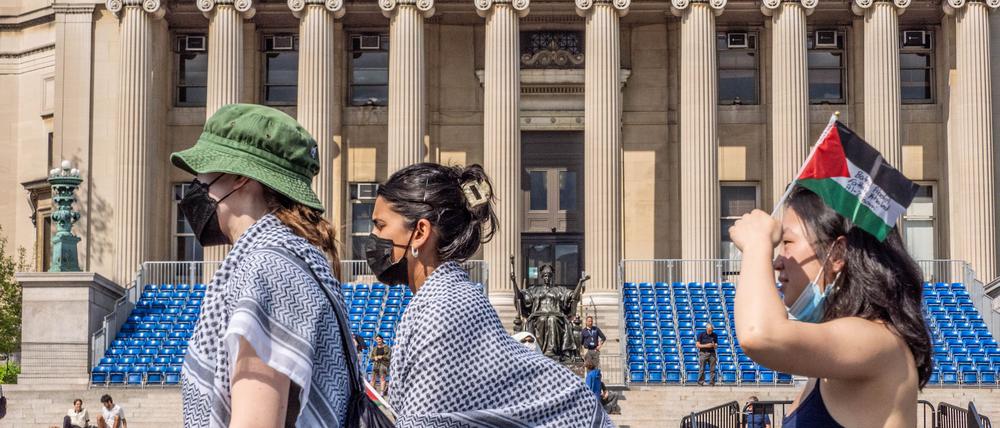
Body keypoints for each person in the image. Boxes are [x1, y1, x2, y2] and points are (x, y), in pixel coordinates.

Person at [371, 163, 613, 427]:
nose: (372, 236)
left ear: (419, 232)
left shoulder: (443, 312)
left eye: (380, 225)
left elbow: (424, 421)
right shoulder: (446, 299)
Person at [172, 104, 353, 427]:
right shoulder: (292, 258)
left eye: (203, 173)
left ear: (240, 176)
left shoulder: (268, 267)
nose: (196, 185)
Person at [730, 186, 932, 427]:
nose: (777, 261)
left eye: (787, 242)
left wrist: (757, 244)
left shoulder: (875, 340)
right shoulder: (842, 352)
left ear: (837, 254)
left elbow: (758, 334)